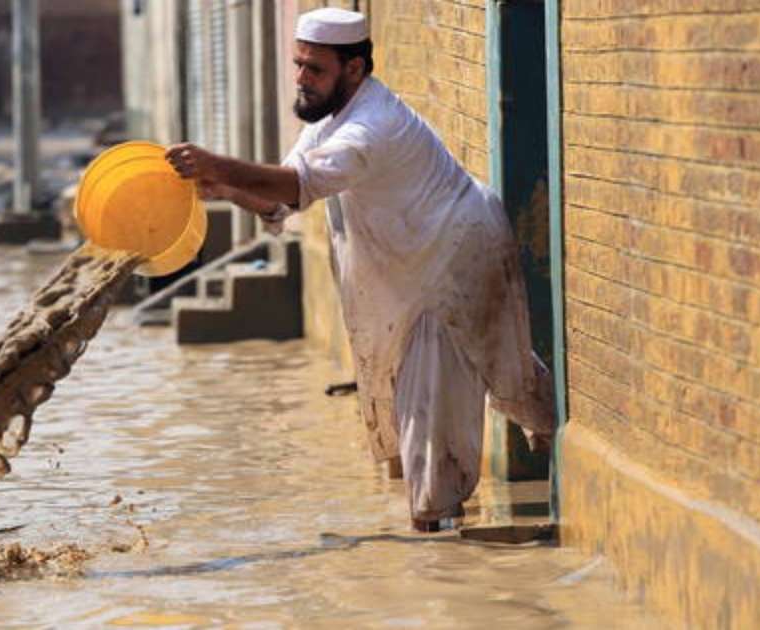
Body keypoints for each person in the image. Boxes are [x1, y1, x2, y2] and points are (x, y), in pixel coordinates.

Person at [164, 8, 557, 532]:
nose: (302, 79)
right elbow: (284, 197)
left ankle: (446, 565)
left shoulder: (374, 126)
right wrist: (224, 190)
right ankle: (526, 467)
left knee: (454, 404)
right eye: (299, 65)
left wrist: (214, 164)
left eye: (315, 69)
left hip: (458, 258)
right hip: (415, 268)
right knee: (482, 380)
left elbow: (295, 183)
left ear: (354, 69)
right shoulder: (329, 120)